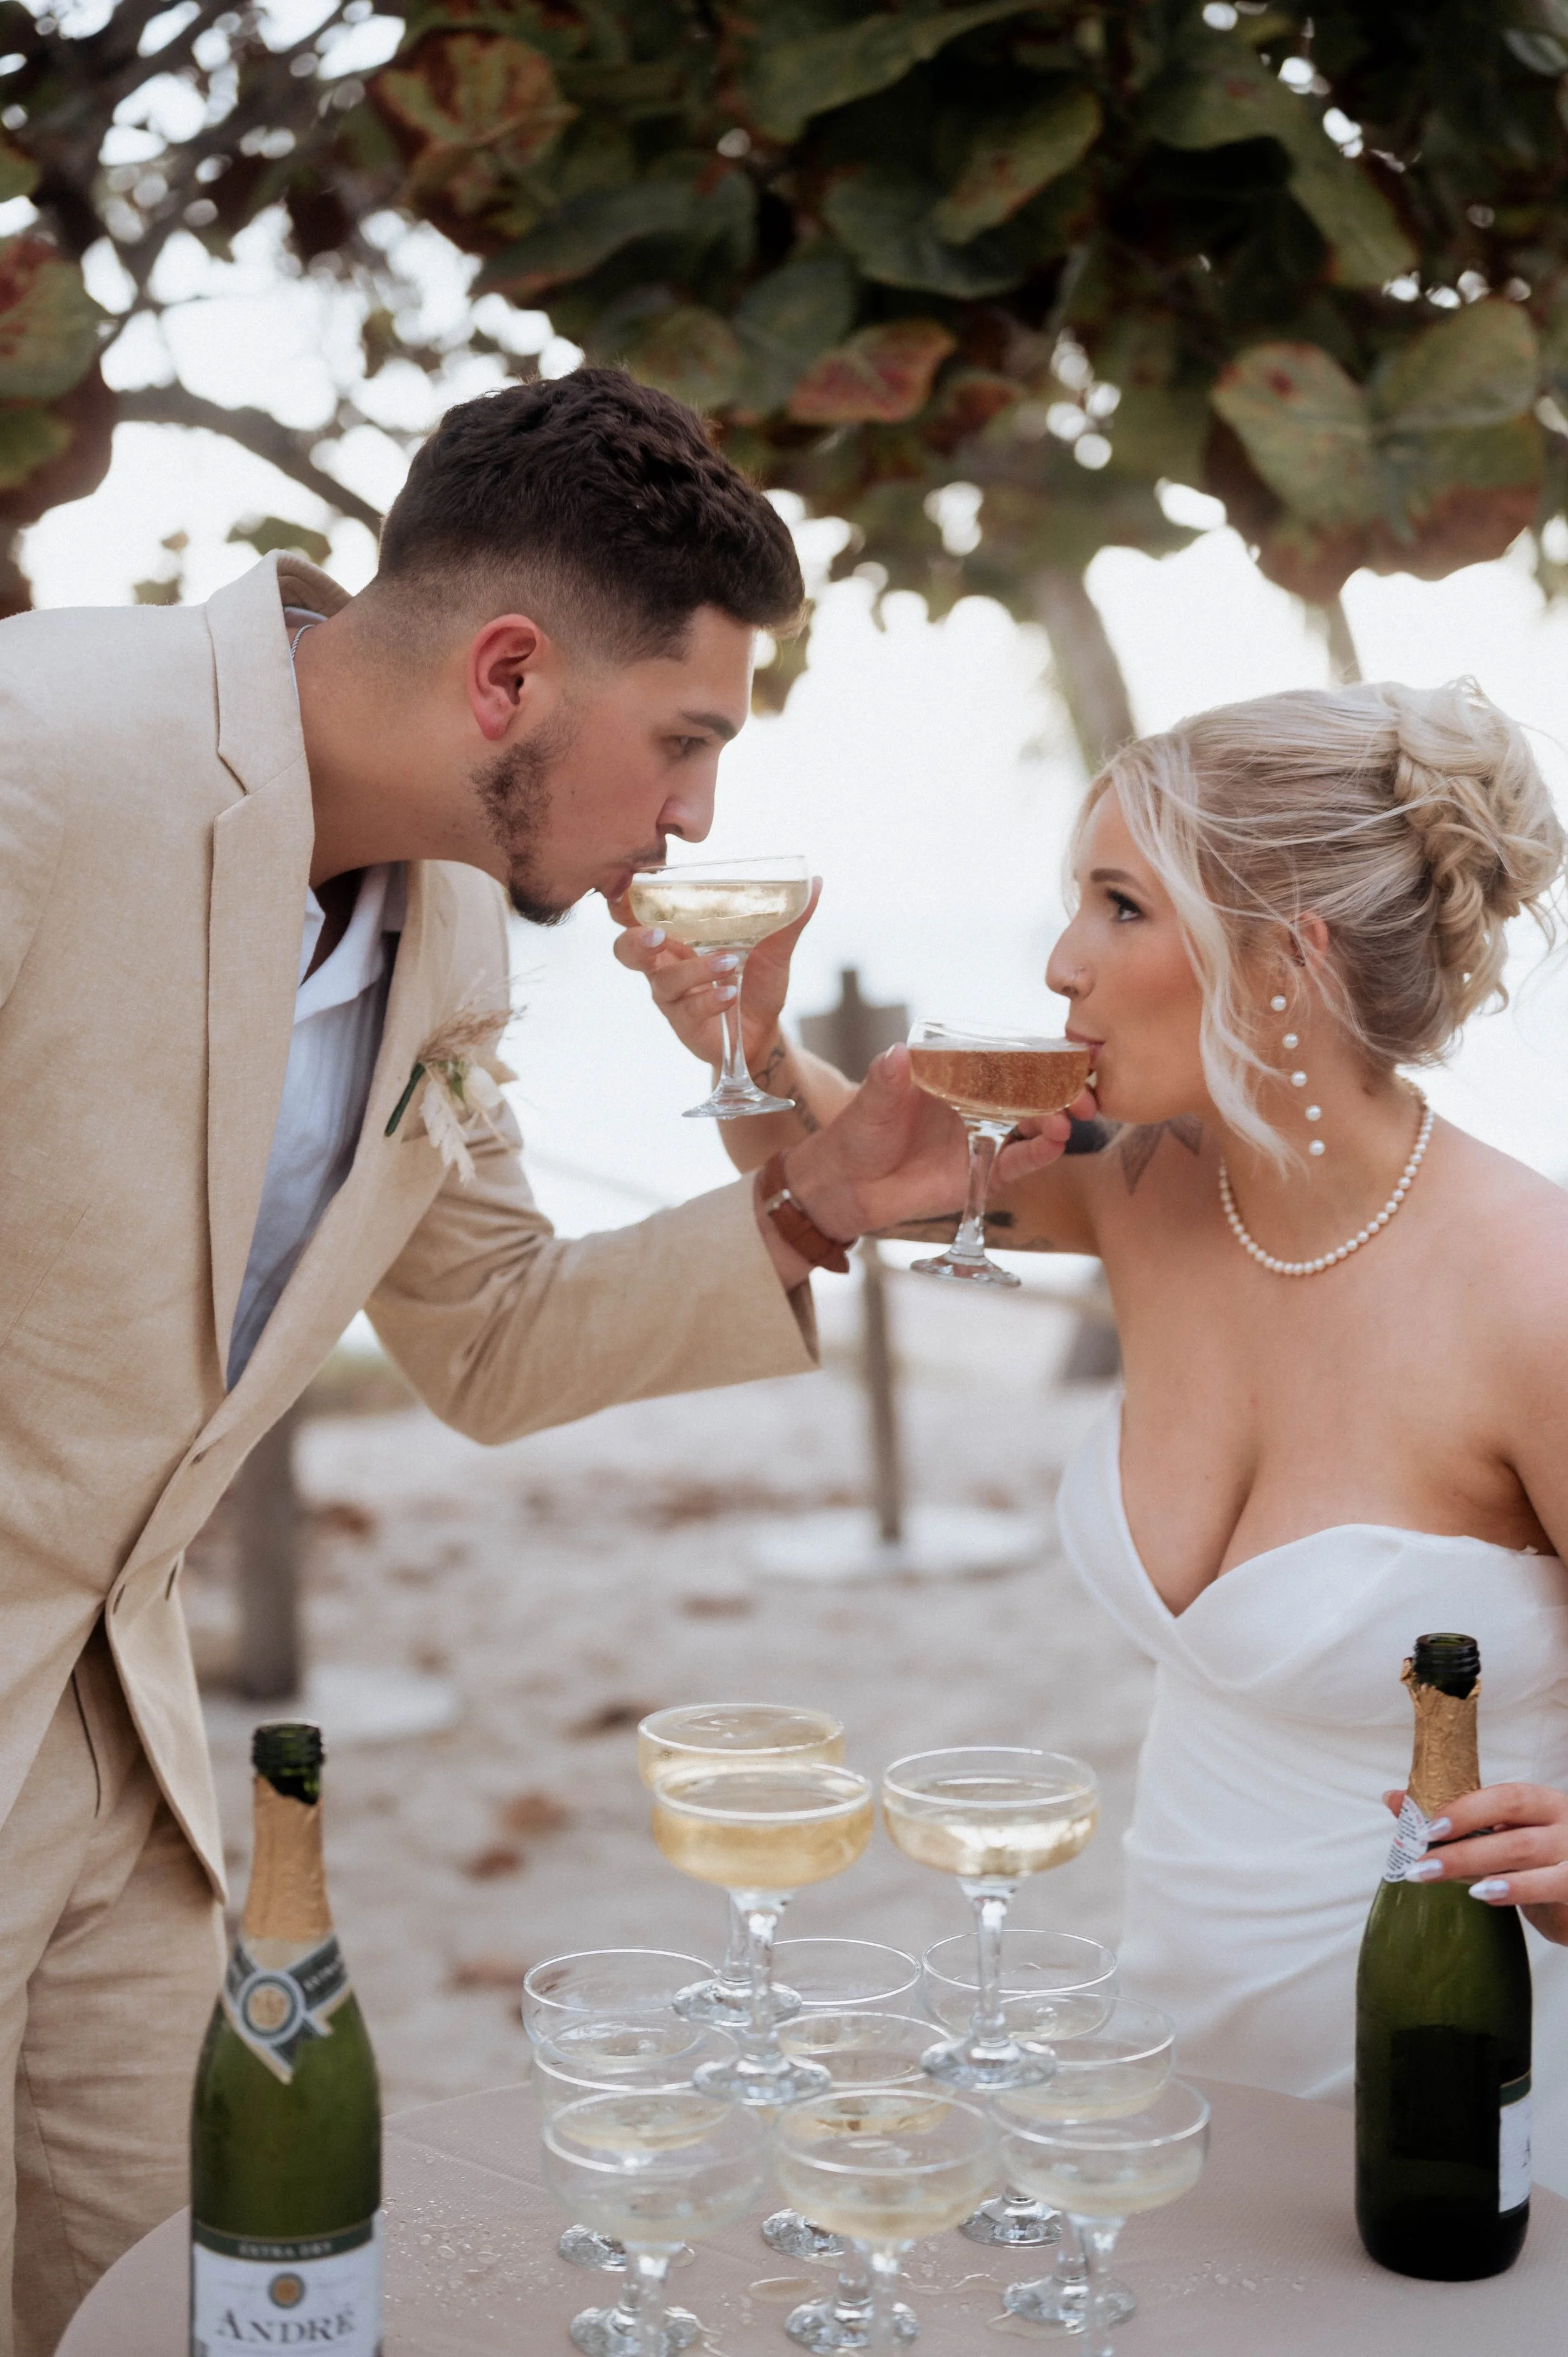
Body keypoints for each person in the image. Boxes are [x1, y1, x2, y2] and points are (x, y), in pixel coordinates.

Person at [0, 368, 1079, 2354]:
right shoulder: (39, 752)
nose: (698, 817)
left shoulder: (454, 932)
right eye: (683, 740)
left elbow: (485, 1340)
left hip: (125, 1768)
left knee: (191, 2301)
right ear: (507, 675)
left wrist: (811, 1208)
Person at [622, 675, 1568, 2191]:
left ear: (1283, 959)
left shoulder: (1535, 1294)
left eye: (1117, 906)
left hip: (1466, 2089)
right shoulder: (1150, 1194)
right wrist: (743, 1036)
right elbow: (848, 1181)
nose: (1059, 963)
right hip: (1170, 2077)